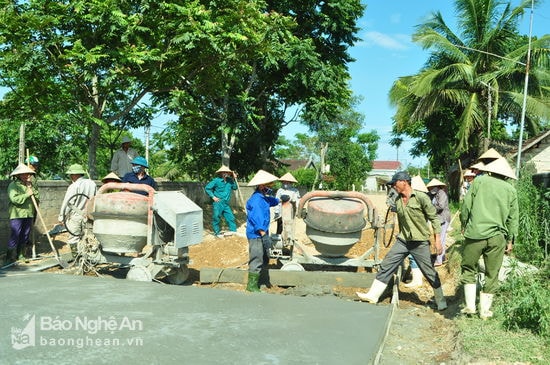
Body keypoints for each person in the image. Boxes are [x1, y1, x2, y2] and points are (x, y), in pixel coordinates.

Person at [356, 171, 447, 311]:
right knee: (387, 264)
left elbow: (434, 218)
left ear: (404, 182)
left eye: (395, 183)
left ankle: (441, 301)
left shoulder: (421, 197)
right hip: (403, 241)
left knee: (429, 271)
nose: (393, 186)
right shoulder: (397, 200)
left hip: (420, 242)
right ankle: (373, 295)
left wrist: (437, 241)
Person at [459, 157, 518, 320]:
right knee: (492, 273)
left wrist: (464, 224)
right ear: (506, 175)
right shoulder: (510, 189)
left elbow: (466, 206)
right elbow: (513, 218)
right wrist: (510, 240)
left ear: (491, 170)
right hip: (498, 237)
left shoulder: (479, 182)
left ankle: (470, 306)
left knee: (469, 267)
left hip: (475, 235)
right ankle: (485, 311)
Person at [245, 170, 280, 292]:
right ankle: (251, 286)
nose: (270, 188)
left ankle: (260, 280)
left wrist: (278, 199)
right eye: (269, 186)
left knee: (265, 257)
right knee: (257, 257)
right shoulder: (257, 201)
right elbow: (257, 219)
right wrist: (263, 235)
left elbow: (272, 201)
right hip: (257, 234)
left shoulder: (263, 198)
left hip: (262, 232)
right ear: (261, 186)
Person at [58, 164, 97, 256]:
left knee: (74, 238)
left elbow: (68, 203)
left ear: (75, 175)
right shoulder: (92, 184)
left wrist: (61, 217)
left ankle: (77, 258)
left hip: (76, 215)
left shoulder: (74, 186)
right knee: (87, 237)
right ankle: (89, 258)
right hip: (89, 215)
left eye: (71, 175)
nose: (70, 177)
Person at [5, 164, 40, 265]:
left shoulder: (30, 185)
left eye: (27, 174)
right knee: (15, 235)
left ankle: (21, 255)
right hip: (17, 214)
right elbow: (14, 199)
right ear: (19, 175)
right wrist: (26, 194)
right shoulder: (13, 185)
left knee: (25, 235)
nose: (26, 176)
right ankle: (9, 257)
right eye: (23, 175)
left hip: (28, 214)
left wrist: (32, 190)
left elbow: (37, 197)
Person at [204, 165, 239, 238]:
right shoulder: (216, 180)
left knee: (230, 217)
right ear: (220, 173)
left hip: (226, 203)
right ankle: (217, 233)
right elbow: (207, 188)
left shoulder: (230, 180)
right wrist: (213, 197)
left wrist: (234, 178)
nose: (225, 173)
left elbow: (235, 187)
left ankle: (233, 231)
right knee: (216, 217)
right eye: (224, 172)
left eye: (227, 172)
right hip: (218, 203)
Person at [426, 178, 451, 267]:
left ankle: (439, 260)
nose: (431, 189)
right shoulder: (432, 195)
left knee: (441, 239)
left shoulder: (442, 193)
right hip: (437, 219)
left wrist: (430, 209)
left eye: (433, 187)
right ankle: (441, 257)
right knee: (438, 238)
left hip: (443, 218)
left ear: (437, 186)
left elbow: (440, 206)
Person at [275, 172, 301, 238]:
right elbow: (276, 201)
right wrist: (276, 211)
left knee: (290, 225)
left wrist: (298, 209)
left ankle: (289, 238)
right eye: (284, 182)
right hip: (281, 210)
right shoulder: (280, 191)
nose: (285, 183)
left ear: (291, 182)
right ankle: (278, 238)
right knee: (280, 225)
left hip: (291, 211)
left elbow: (297, 201)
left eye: (287, 182)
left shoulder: (295, 191)